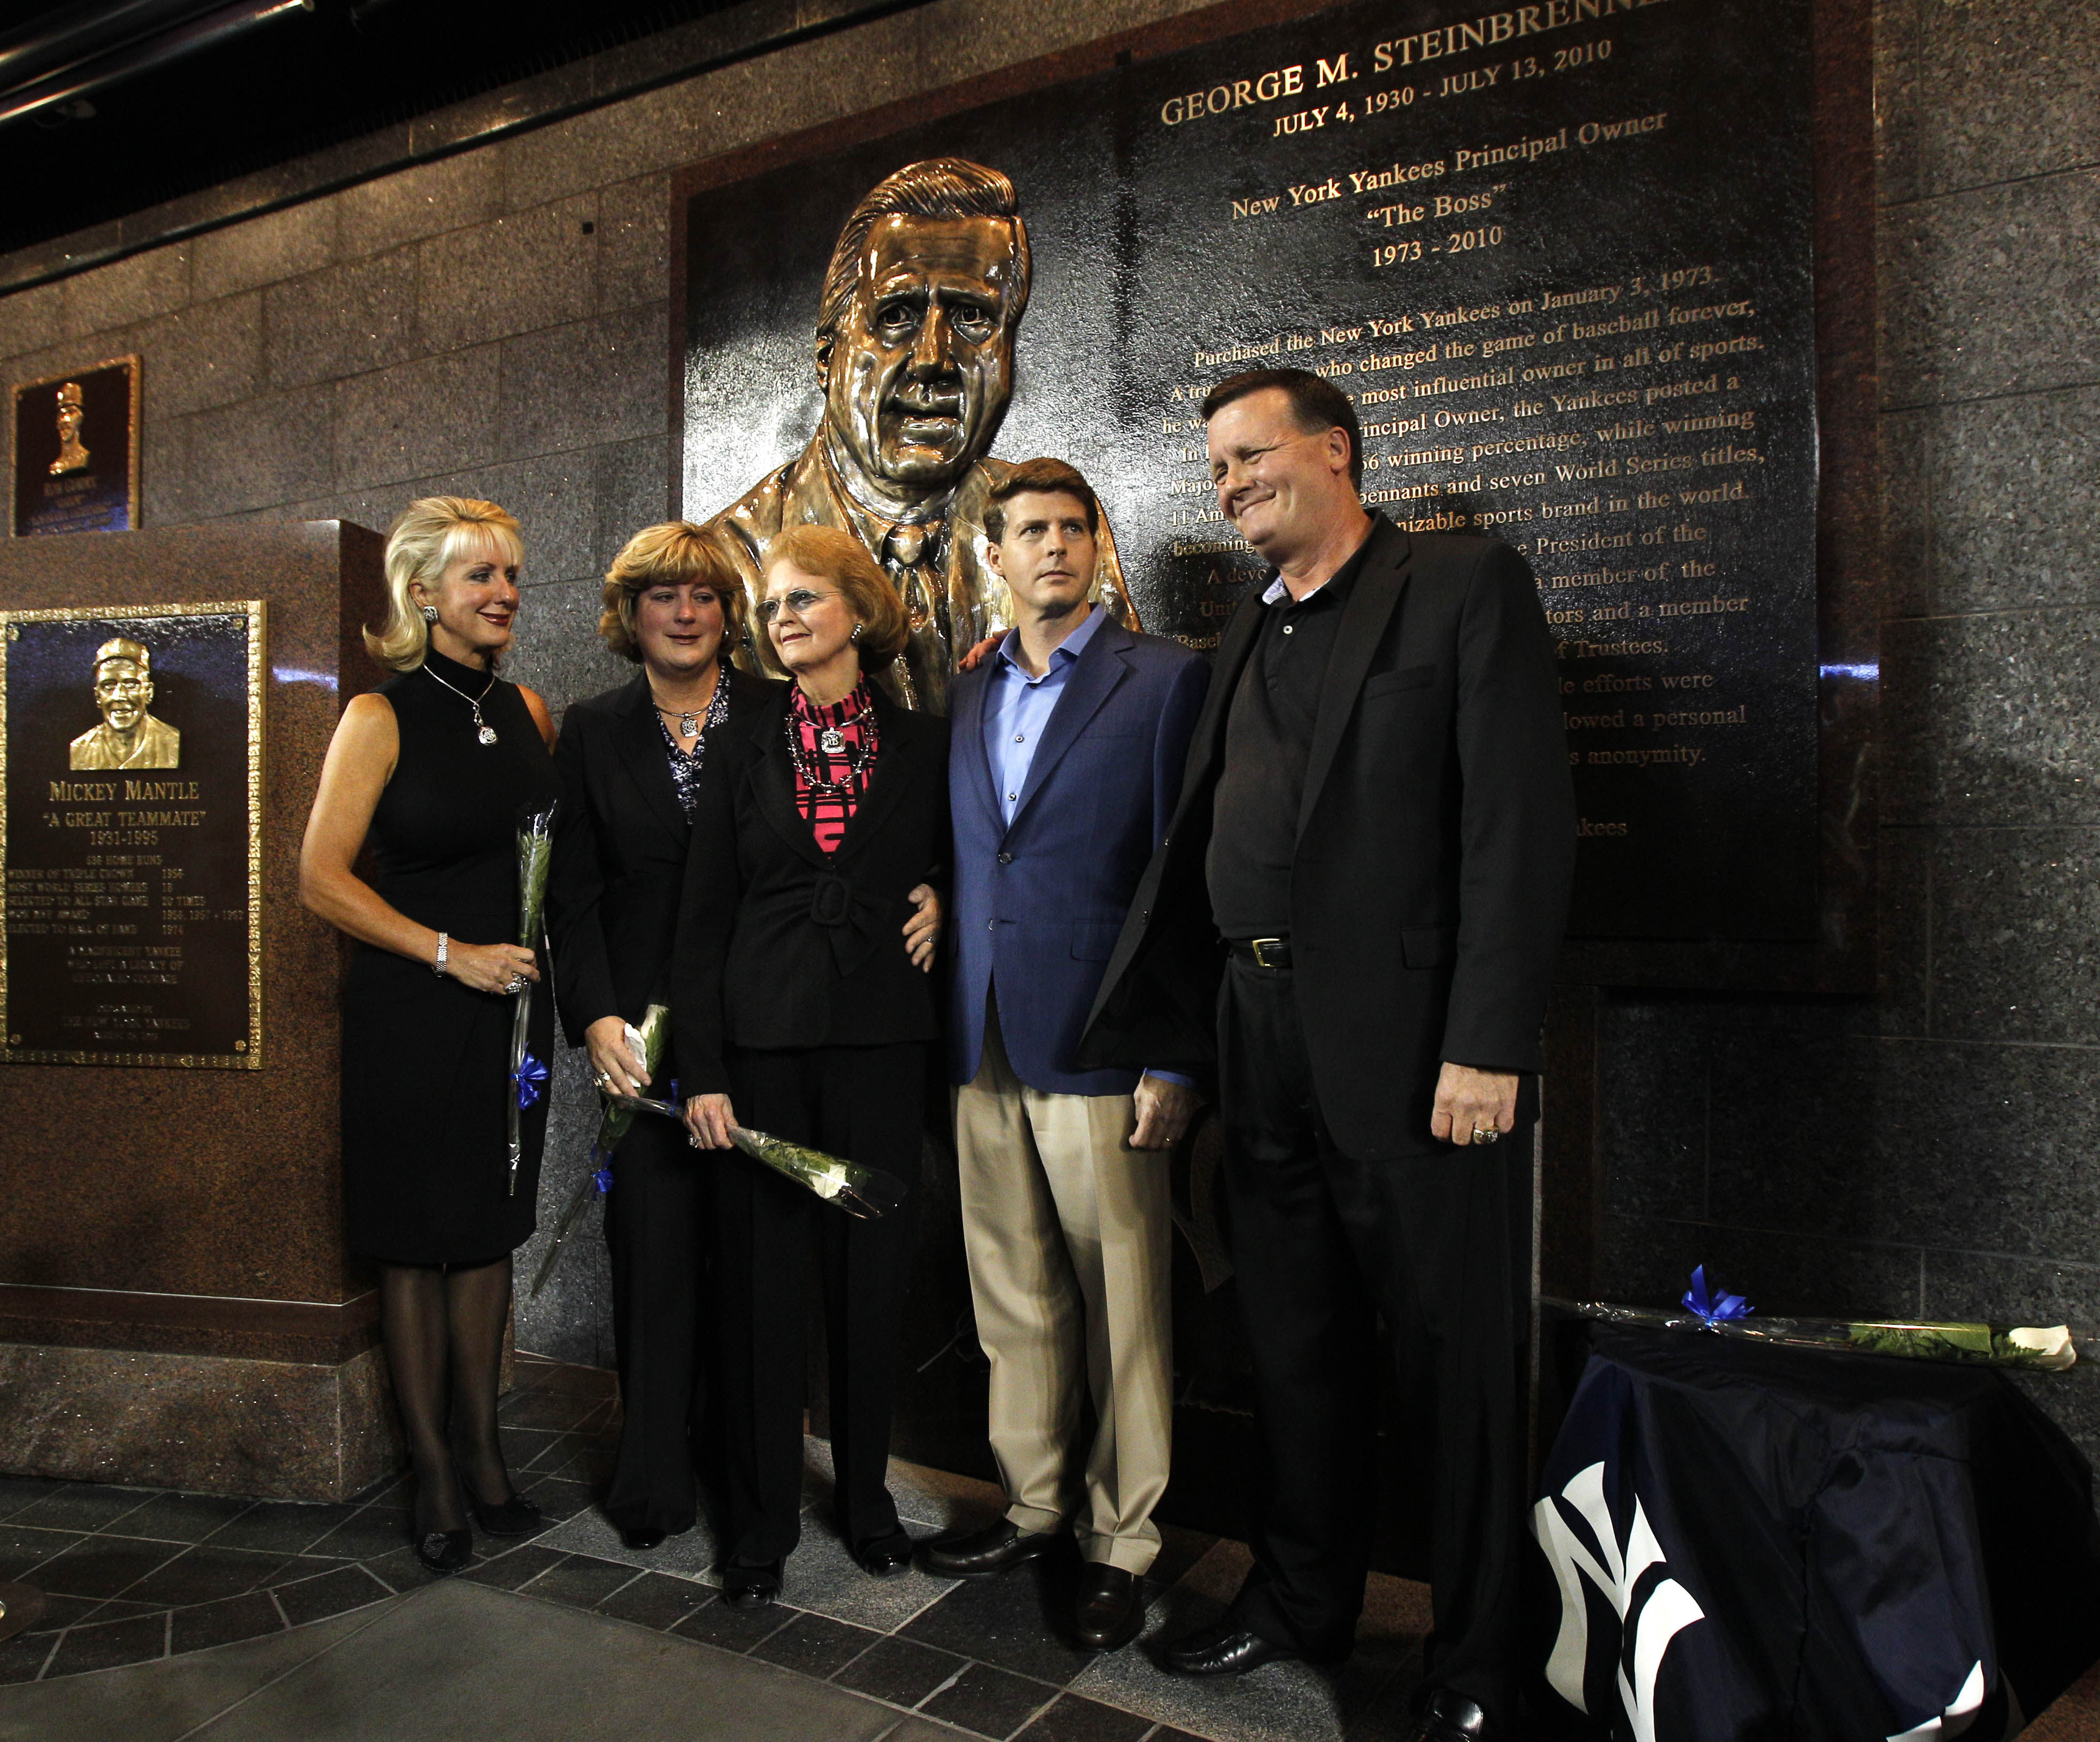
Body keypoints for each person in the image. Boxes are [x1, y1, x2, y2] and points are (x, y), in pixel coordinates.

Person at [1077, 369, 1576, 1740]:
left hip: (1419, 1053)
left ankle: (1477, 1662)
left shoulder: (1461, 585)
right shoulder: (1252, 619)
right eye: (1217, 467)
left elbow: (1514, 830)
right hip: (1257, 1030)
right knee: (1292, 1345)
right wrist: (1187, 1042)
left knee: (1450, 1370)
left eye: (1253, 454)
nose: (1230, 482)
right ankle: (1303, 1602)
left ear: (1336, 451)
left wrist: (1487, 1041)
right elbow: (1200, 844)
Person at [916, 459, 1205, 1651]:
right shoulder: (972, 690)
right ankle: (1031, 1508)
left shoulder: (1165, 681)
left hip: (1103, 1044)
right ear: (992, 557)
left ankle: (1121, 1540)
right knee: (1012, 1295)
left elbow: (1186, 880)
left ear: (1096, 547)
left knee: (1123, 1304)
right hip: (980, 1032)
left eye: (1071, 529)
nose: (1052, 548)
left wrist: (1178, 1055)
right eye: (1028, 531)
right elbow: (977, 846)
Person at [672, 522, 947, 1608]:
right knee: (763, 1286)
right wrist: (701, 1070)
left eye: (803, 599)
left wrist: (948, 897)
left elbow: (973, 850)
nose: (782, 619)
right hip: (764, 1047)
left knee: (871, 1282)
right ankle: (759, 1524)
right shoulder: (740, 745)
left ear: (856, 611)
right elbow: (700, 924)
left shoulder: (923, 742)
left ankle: (867, 1500)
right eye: (772, 604)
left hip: (881, 1041)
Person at [299, 497, 560, 1575]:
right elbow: (320, 880)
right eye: (477, 576)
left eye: (508, 573)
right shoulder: (378, 716)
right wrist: (451, 955)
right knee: (415, 1242)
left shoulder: (532, 710)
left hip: (511, 1016)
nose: (501, 592)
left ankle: (488, 1456)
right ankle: (436, 1478)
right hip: (415, 1009)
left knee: (490, 1231)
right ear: (422, 594)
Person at [704, 157, 1138, 715]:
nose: (933, 359)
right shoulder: (731, 562)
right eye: (896, 316)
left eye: (972, 318)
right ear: (827, 356)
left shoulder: (1052, 522)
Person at [547, 522, 780, 1552]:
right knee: (650, 1252)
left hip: (762, 1029)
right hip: (637, 1039)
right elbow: (573, 893)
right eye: (661, 596)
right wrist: (594, 1014)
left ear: (729, 610)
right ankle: (652, 1479)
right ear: (629, 614)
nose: (684, 613)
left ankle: (750, 1479)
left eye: (703, 594)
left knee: (750, 1260)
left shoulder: (780, 715)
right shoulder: (593, 730)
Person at [69, 636, 180, 769]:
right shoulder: (81, 749)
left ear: (149, 693)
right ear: (98, 696)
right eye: (109, 686)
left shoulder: (171, 742)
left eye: (131, 685)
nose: (120, 696)